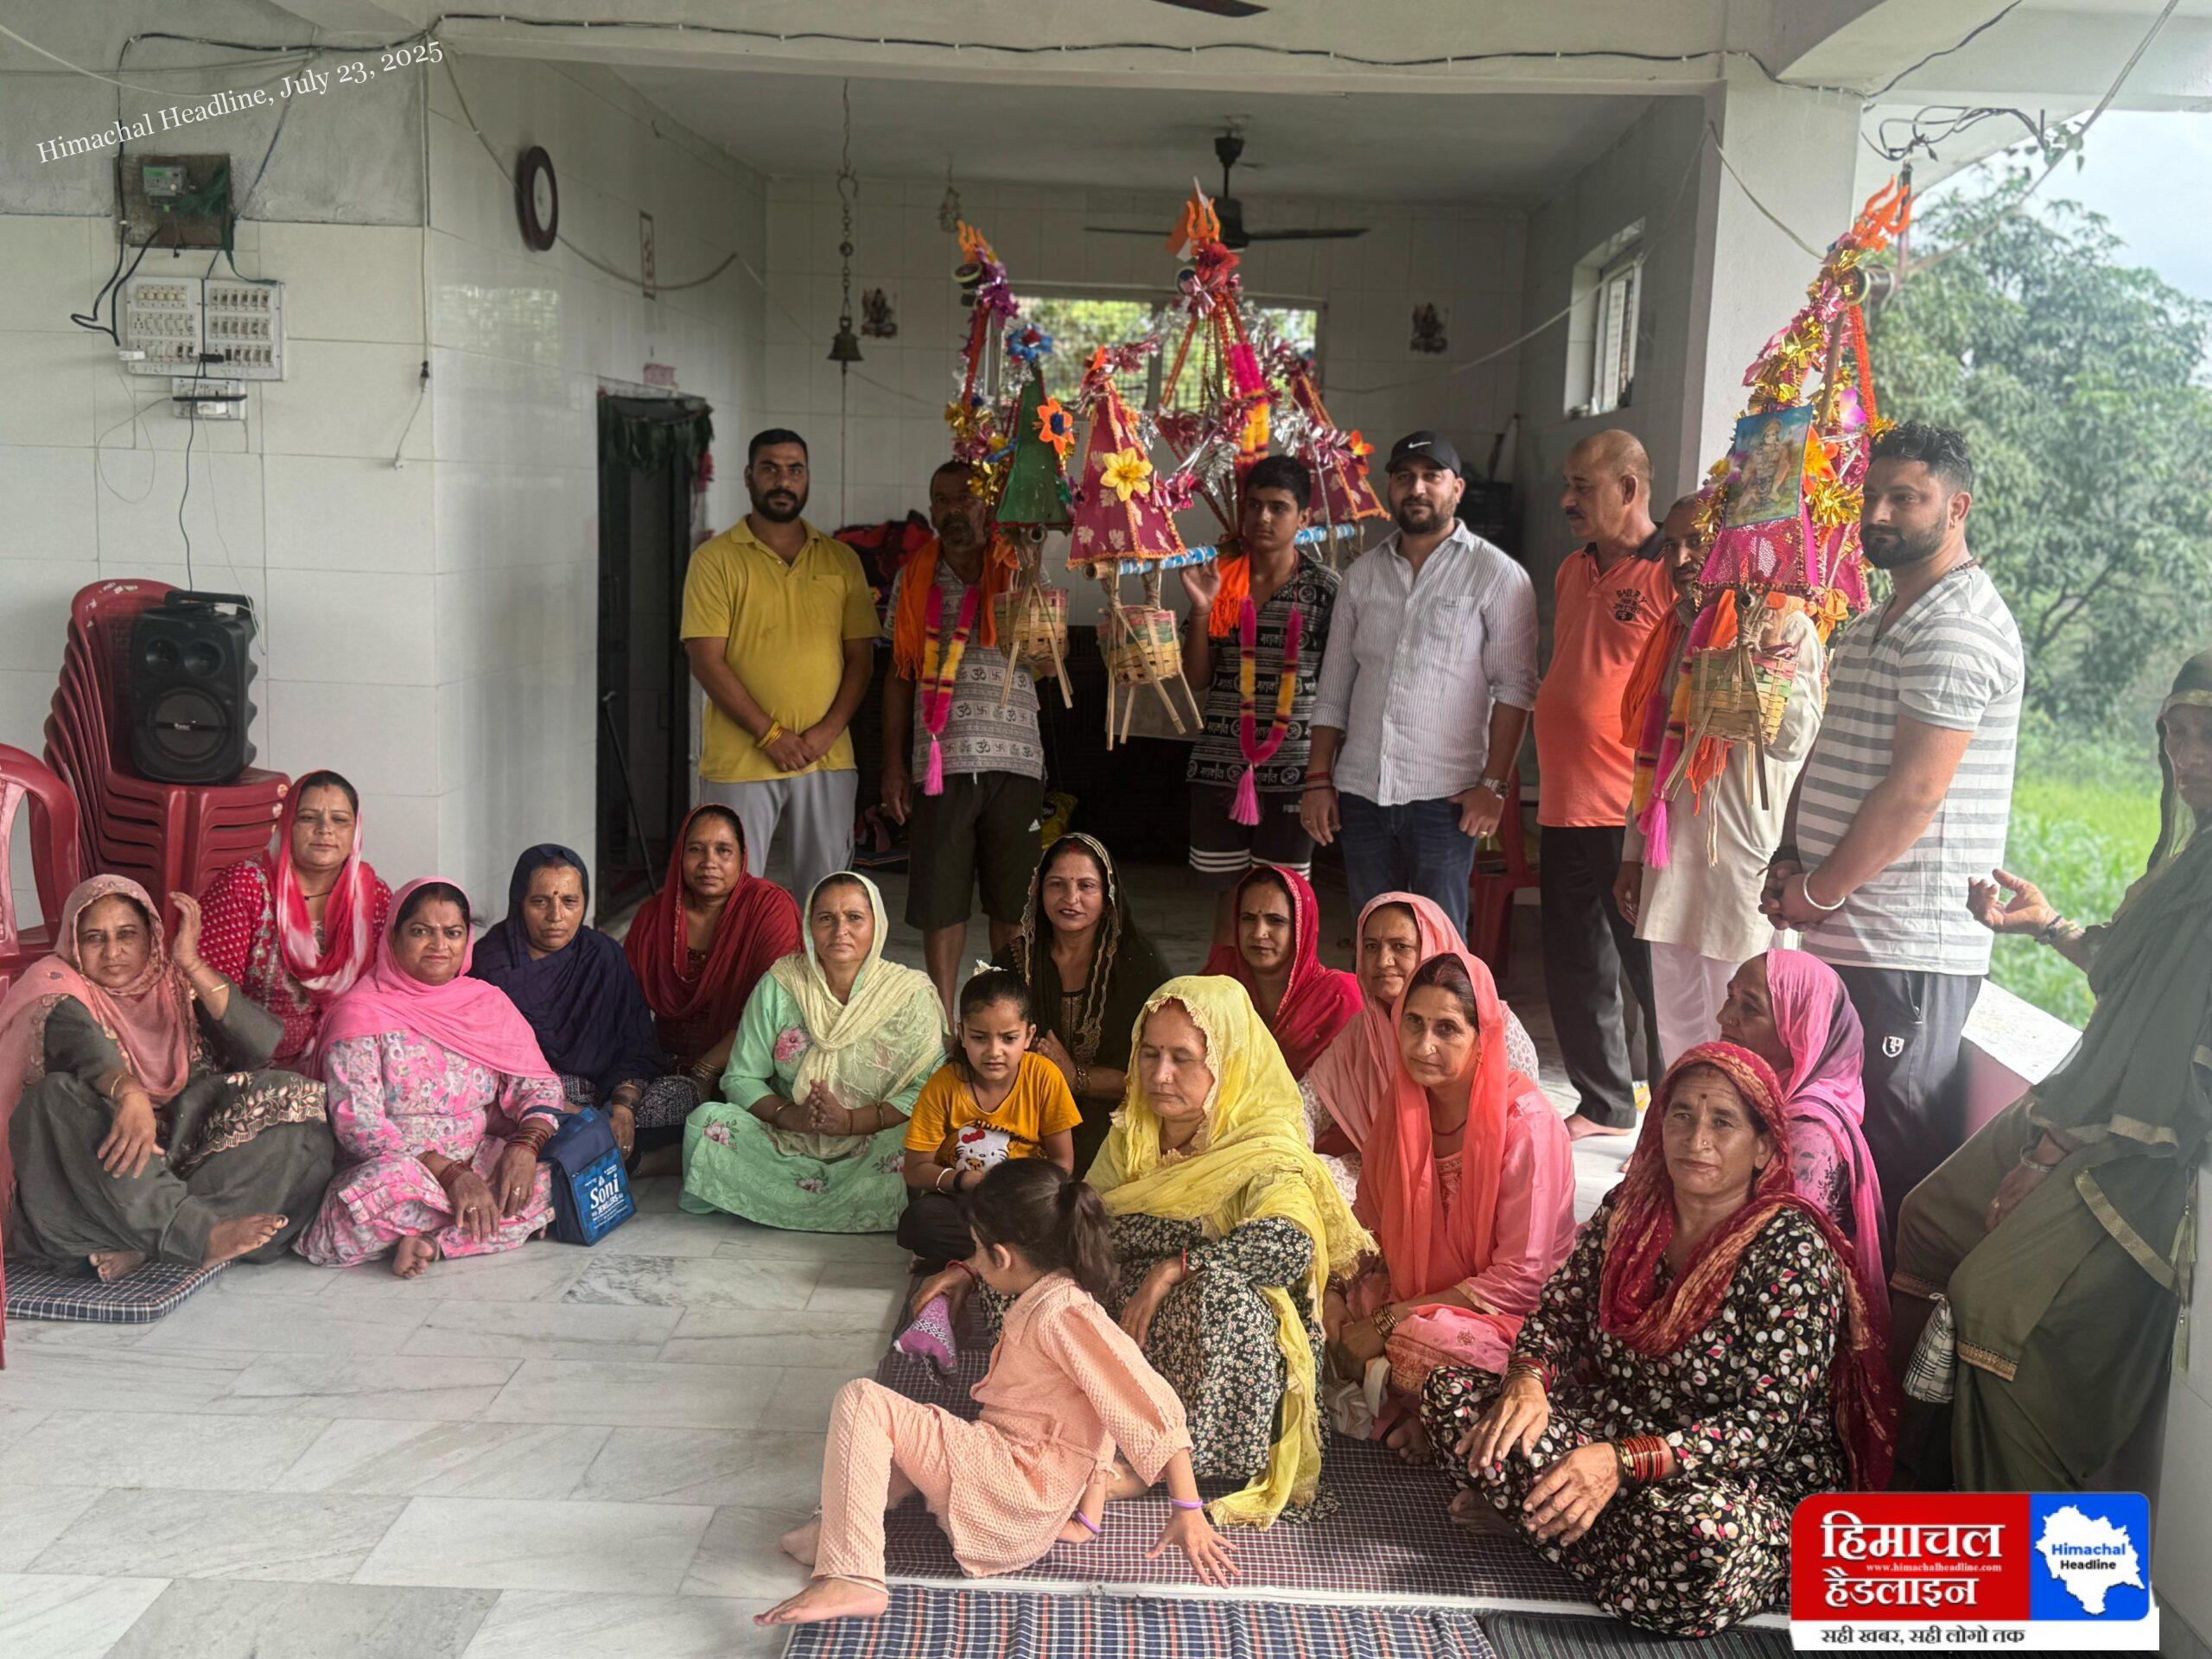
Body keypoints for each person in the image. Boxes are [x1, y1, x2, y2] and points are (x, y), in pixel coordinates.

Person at [1422, 1043, 1896, 1637]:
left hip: (1735, 1475)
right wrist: (1528, 1381)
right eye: (1682, 1115)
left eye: (1722, 1122)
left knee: (1699, 1542)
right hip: (1618, 1423)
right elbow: (1558, 1315)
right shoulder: (1630, 1211)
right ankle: (1582, 1532)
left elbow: (1764, 1427)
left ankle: (1537, 1521)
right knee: (1454, 1398)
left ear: (1764, 1148)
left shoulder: (1791, 1250)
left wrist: (1621, 1463)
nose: (1697, 1138)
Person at [1888, 649, 2212, 1492]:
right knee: (1928, 1220)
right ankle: (1904, 1470)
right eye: (2175, 734)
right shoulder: (2188, 862)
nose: (2186, 758)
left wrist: (2059, 1148)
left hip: (2143, 1148)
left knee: (1989, 1307)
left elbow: (2173, 1054)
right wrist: (2049, 926)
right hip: (2084, 1101)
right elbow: (2127, 980)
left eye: (2207, 736)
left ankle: (2015, 1549)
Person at [756, 1160, 1232, 1629]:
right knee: (892, 1435)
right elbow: (1099, 1406)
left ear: (1002, 1257)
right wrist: (1086, 1520)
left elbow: (1147, 1403)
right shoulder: (1052, 1299)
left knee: (865, 1401)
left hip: (1012, 1494)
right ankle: (833, 1530)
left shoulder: (1064, 1314)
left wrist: (1188, 1509)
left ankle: (854, 1575)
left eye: (977, 1251)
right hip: (1018, 1499)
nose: (975, 1265)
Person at [1764, 423, 2022, 1246]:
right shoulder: (1879, 618)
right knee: (1830, 1148)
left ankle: (1886, 1332)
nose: (1878, 514)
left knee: (1887, 1164)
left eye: (1905, 498)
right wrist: (1792, 856)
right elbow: (1829, 749)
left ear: (1957, 508)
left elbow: (1914, 794)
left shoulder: (1958, 627)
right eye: (1871, 496)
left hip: (1907, 947)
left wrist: (1817, 889)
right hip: (1849, 931)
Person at [1082, 976, 1373, 1527]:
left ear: (1227, 1063)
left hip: (1222, 1340)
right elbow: (1084, 1226)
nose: (1160, 1075)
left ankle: (1182, 1462)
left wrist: (1174, 1268)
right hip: (1138, 1320)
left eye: (1182, 1058)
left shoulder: (1263, 1146)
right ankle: (1102, 1432)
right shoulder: (1134, 1132)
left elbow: (1288, 1243)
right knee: (1040, 1283)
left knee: (1221, 1296)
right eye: (1150, 1054)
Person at [2, 877, 333, 1280]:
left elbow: (260, 1045)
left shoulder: (174, 983)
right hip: (105, 1165)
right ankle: (194, 1234)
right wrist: (130, 1096)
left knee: (298, 1098)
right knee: (52, 1096)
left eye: (127, 934)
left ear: (151, 937)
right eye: (94, 938)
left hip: (179, 1147)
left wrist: (191, 964)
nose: (113, 952)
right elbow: (88, 1050)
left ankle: (151, 1242)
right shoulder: (56, 986)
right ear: (73, 943)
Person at [1323, 950, 1575, 1458]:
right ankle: (1419, 1414)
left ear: (1483, 1037)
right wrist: (1330, 1291)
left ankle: (1409, 1408)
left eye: (1447, 1029)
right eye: (1413, 1023)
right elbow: (1367, 1227)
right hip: (1412, 1294)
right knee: (1305, 1304)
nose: (1423, 1046)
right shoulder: (1402, 1109)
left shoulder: (1527, 1125)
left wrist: (1386, 1323)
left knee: (1422, 1343)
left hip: (1507, 1317)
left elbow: (1521, 1279)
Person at [1614, 498, 1826, 1063]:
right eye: (1671, 546)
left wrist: (1758, 654)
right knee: (1678, 1034)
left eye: (1697, 543)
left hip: (1739, 868)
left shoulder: (1787, 624)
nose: (1681, 559)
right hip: (1669, 862)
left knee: (1744, 1033)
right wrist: (1632, 853)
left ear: (1735, 546)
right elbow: (1653, 757)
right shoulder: (1675, 630)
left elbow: (1795, 741)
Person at [1304, 431, 1538, 939]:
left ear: (1457, 488)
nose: (1417, 488)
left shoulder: (1497, 575)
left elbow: (1515, 689)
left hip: (1447, 800)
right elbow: (1334, 686)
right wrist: (1319, 778)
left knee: (1440, 943)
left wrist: (1494, 787)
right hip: (1361, 793)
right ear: (1389, 488)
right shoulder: (1362, 576)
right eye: (1404, 477)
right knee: (1373, 939)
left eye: (1432, 476)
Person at [298, 880, 564, 1280]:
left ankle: (430, 1244)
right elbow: (360, 1126)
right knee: (374, 1194)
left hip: (476, 1162)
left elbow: (538, 1085)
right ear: (393, 937)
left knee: (547, 1179)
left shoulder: (487, 1004)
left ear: (466, 941)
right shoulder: (361, 1013)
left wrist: (525, 1147)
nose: (439, 945)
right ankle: (484, 1229)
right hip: (400, 1170)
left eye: (453, 933)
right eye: (421, 931)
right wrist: (450, 1174)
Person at [1534, 430, 1675, 1139]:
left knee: (1651, 974)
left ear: (1628, 489)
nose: (1568, 499)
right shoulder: (1573, 568)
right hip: (1563, 798)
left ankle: (1675, 1115)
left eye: (1582, 487)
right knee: (1574, 962)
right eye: (1568, 485)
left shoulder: (1670, 571)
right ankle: (1605, 1104)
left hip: (1627, 808)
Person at [681, 872, 944, 1233]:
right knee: (707, 1121)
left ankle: (781, 1203)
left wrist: (851, 1122)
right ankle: (859, 1208)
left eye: (854, 917)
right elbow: (741, 1076)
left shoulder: (909, 994)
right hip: (787, 1138)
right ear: (809, 926)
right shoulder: (781, 983)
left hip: (874, 1140)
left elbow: (930, 1088)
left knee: (925, 1141)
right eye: (826, 918)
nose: (840, 931)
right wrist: (789, 1116)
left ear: (877, 924)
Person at [682, 428, 880, 899]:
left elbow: (861, 659)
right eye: (770, 469)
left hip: (826, 757)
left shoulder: (841, 560)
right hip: (740, 761)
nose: (783, 481)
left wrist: (826, 732)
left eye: (794, 470)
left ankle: (813, 960)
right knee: (728, 897)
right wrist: (771, 735)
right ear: (749, 476)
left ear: (807, 478)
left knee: (827, 900)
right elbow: (706, 661)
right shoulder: (714, 560)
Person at [881, 461, 1047, 1014]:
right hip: (940, 763)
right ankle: (943, 1021)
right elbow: (899, 674)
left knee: (1012, 905)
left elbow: (1048, 661)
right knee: (941, 904)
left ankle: (1004, 1015)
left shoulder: (1019, 566)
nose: (953, 509)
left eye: (965, 498)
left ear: (988, 505)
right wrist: (892, 764)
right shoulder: (914, 578)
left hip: (1016, 761)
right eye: (941, 499)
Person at [1178, 454, 1340, 942]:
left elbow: (1338, 689)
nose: (1263, 518)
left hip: (1293, 772)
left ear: (1303, 517)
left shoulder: (1326, 590)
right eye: (1254, 506)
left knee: (1282, 902)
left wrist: (1324, 777)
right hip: (1219, 766)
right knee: (1229, 899)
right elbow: (1197, 678)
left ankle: (1279, 994)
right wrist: (1202, 610)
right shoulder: (1222, 580)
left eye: (1278, 507)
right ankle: (1224, 988)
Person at [1302, 893, 1541, 1203]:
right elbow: (1306, 1103)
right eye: (1371, 946)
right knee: (1295, 1187)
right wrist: (1290, 1150)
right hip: (1386, 1173)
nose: (1383, 961)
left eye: (1400, 947)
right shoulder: (1365, 1031)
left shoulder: (1493, 1025)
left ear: (1433, 947)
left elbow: (1525, 1126)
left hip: (1477, 1182)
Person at [471, 845, 677, 1160]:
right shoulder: (490, 963)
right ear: (519, 902)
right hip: (535, 1097)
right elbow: (488, 1066)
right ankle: (618, 1158)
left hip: (606, 1087)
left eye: (569, 902)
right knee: (546, 1106)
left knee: (679, 1095)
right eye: (540, 901)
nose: (556, 916)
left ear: (584, 902)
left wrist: (623, 1106)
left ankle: (594, 1149)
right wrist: (571, 1109)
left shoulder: (602, 954)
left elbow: (635, 1042)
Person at [995, 835, 1173, 1173]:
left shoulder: (1137, 963)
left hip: (1117, 1118)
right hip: (1029, 1112)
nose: (1071, 898)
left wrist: (1076, 1077)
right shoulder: (1015, 961)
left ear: (1108, 896)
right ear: (1039, 891)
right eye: (1057, 884)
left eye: (1086, 886)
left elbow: (1165, 1069)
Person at [896, 968, 1080, 1294]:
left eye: (1009, 1039)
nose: (994, 1051)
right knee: (920, 1221)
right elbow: (915, 1169)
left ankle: (973, 1262)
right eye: (980, 1038)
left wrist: (1021, 1193)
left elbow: (1063, 1163)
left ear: (1028, 1035)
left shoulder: (1044, 1077)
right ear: (962, 1034)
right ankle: (1010, 1262)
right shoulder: (943, 1085)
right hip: (963, 1200)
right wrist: (965, 1180)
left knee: (1074, 1219)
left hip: (1023, 1203)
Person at [198, 768, 391, 1072]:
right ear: (287, 823)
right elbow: (213, 992)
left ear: (356, 830)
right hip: (249, 1063)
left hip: (344, 1057)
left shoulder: (373, 895)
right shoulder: (245, 886)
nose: (325, 829)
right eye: (308, 817)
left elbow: (388, 987)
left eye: (340, 820)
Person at [1716, 948, 1885, 1289]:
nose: (1724, 1017)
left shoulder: (1810, 1132)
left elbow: (1783, 1259)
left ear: (1801, 1028)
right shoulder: (1759, 1092)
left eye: (1750, 1007)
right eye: (1730, 997)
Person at [623, 804, 802, 1125]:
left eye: (723, 850)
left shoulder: (769, 907)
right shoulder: (654, 916)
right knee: (621, 1110)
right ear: (680, 855)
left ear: (742, 856)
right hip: (664, 1063)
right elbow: (626, 1004)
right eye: (696, 850)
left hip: (750, 1065)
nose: (709, 862)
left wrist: (706, 1069)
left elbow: (773, 1005)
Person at [1200, 863, 1360, 1081]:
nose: (1259, 933)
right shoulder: (1220, 978)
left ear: (1302, 928)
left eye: (1275, 921)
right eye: (1248, 918)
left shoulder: (1340, 999)